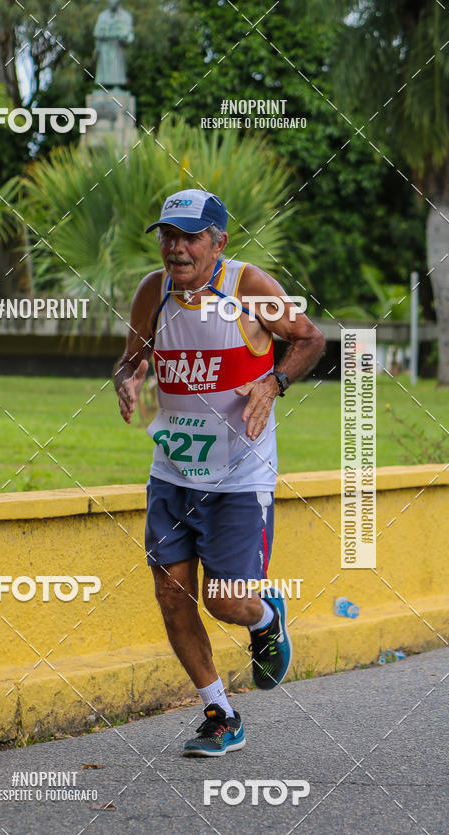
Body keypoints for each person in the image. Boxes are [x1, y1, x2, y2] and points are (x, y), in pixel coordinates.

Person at [113, 189, 325, 757]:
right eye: (168, 236)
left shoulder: (247, 285)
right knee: (171, 593)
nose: (176, 249)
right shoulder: (152, 292)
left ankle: (264, 616)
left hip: (239, 475)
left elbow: (310, 338)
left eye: (190, 238)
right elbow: (133, 355)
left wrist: (273, 382)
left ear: (219, 242)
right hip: (173, 472)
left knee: (225, 601)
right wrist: (128, 376)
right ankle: (220, 714)